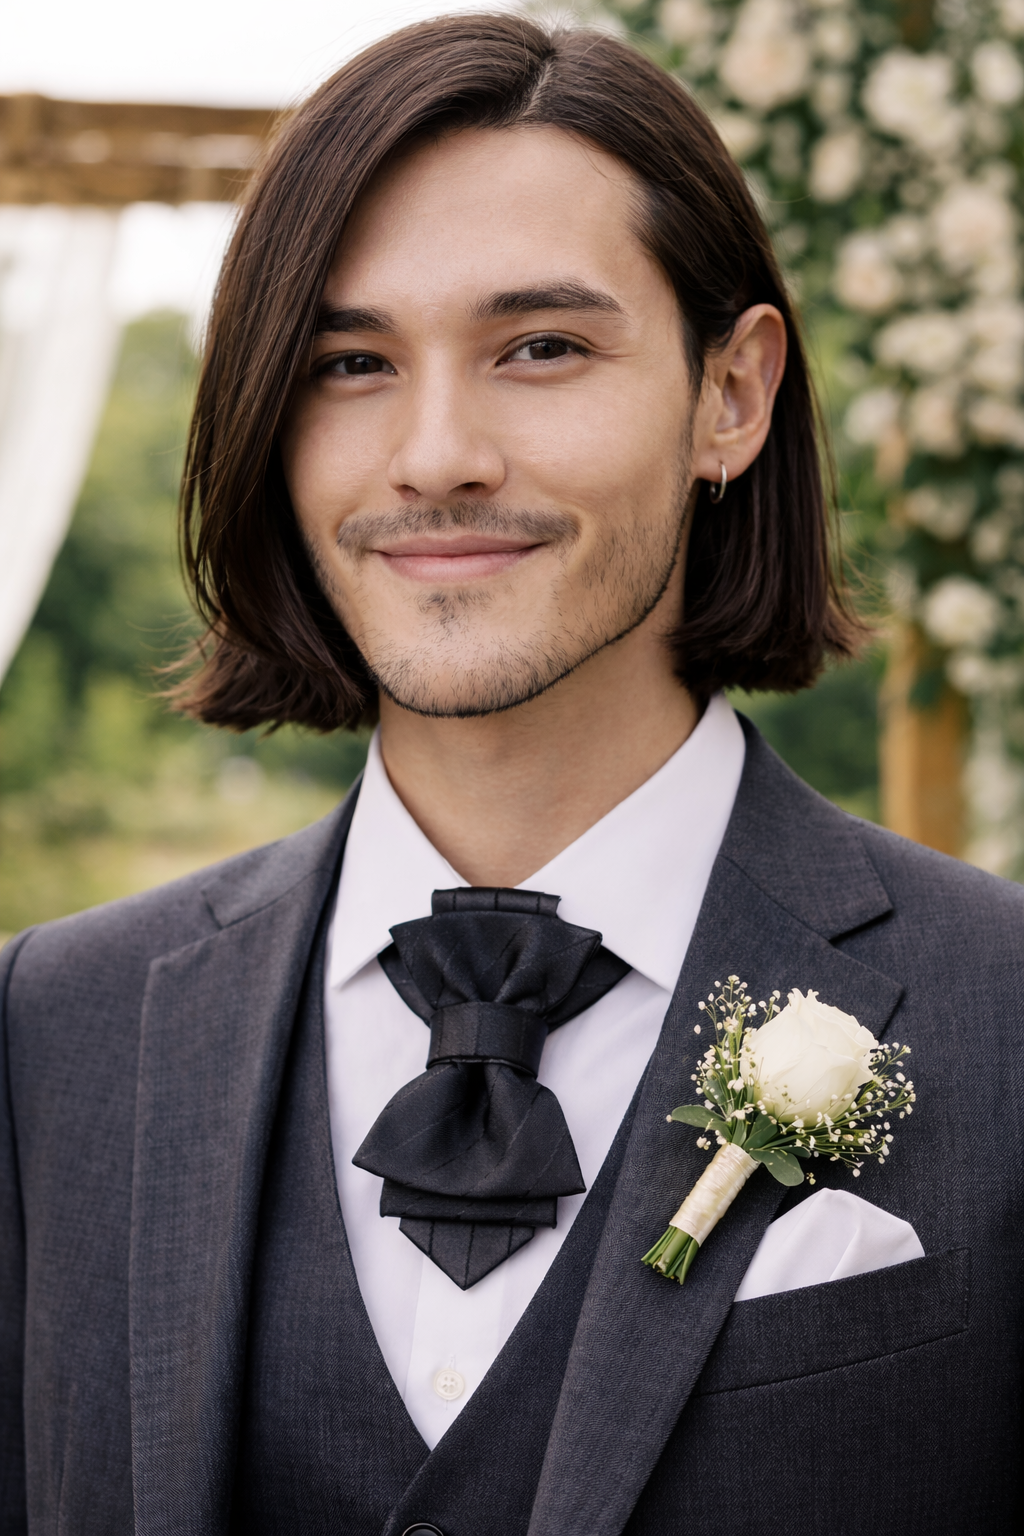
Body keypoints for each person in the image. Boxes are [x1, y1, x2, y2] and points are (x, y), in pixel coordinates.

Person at [1, 14, 1021, 1534]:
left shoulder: (1007, 1011)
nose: (435, 455)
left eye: (541, 347)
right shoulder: (50, 1030)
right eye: (351, 362)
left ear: (732, 396)